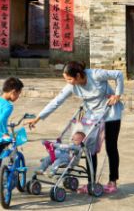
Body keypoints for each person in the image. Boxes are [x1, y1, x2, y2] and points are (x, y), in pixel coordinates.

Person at [29, 62, 124, 195]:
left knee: (111, 147)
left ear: (78, 75)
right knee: (89, 148)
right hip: (92, 116)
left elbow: (118, 74)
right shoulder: (72, 86)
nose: (68, 82)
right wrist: (38, 118)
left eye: (69, 78)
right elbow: (57, 101)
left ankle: (112, 181)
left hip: (111, 113)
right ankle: (91, 183)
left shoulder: (95, 75)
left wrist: (117, 95)